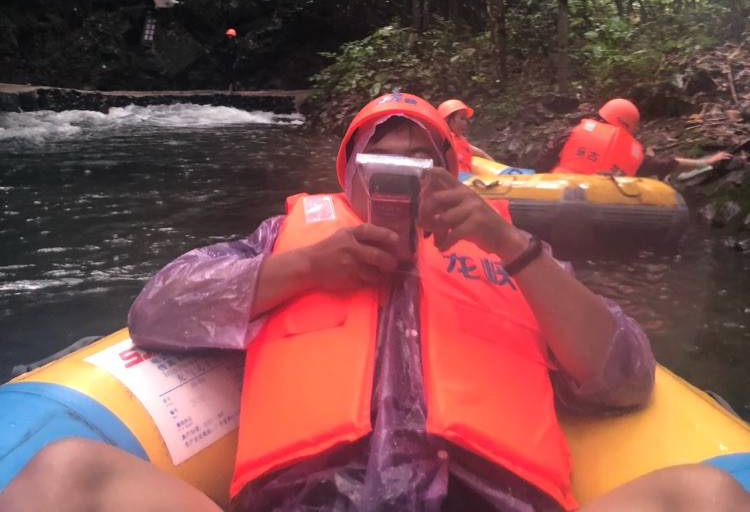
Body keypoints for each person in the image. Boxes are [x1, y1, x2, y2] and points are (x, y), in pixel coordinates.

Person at [2, 93, 748, 512]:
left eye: (418, 157)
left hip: (486, 500)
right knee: (66, 472)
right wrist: (305, 270)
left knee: (707, 495)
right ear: (349, 171)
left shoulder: (513, 252)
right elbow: (157, 313)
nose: (399, 174)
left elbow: (624, 375)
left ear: (451, 170)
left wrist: (513, 250)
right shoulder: (283, 238)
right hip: (309, 502)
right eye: (379, 156)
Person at [534, 97, 731, 179]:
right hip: (604, 207)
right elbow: (668, 163)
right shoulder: (633, 155)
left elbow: (542, 161)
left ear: (602, 116)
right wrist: (705, 162)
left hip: (557, 192)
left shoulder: (574, 132)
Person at [436, 98, 492, 174]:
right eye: (462, 118)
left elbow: (482, 154)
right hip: (453, 181)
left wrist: (503, 173)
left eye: (465, 119)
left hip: (468, 181)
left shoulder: (461, 142)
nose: (465, 123)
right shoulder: (440, 140)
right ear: (447, 119)